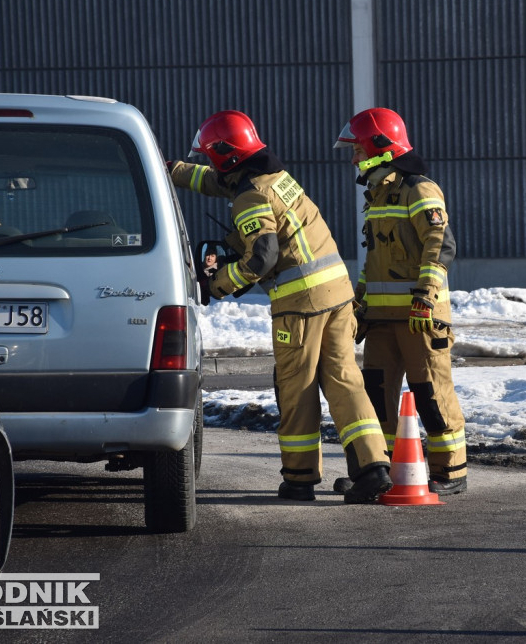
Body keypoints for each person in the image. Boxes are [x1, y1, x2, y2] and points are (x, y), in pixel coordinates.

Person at [168, 110, 392, 503]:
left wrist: (216, 283)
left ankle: (300, 478)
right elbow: (216, 181)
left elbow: (262, 258)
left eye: (209, 155)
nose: (208, 163)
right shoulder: (275, 179)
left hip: (299, 304)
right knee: (343, 380)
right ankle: (373, 471)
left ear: (224, 154)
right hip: (337, 295)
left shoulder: (251, 196)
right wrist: (173, 170)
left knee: (296, 387)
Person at [333, 107, 468, 495]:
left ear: (380, 148)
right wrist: (358, 303)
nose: (354, 157)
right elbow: (374, 260)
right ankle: (388, 470)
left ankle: (450, 472)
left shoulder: (418, 189)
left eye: (357, 149)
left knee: (430, 394)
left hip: (419, 317)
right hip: (381, 320)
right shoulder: (376, 195)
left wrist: (426, 296)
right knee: (377, 398)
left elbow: (440, 243)